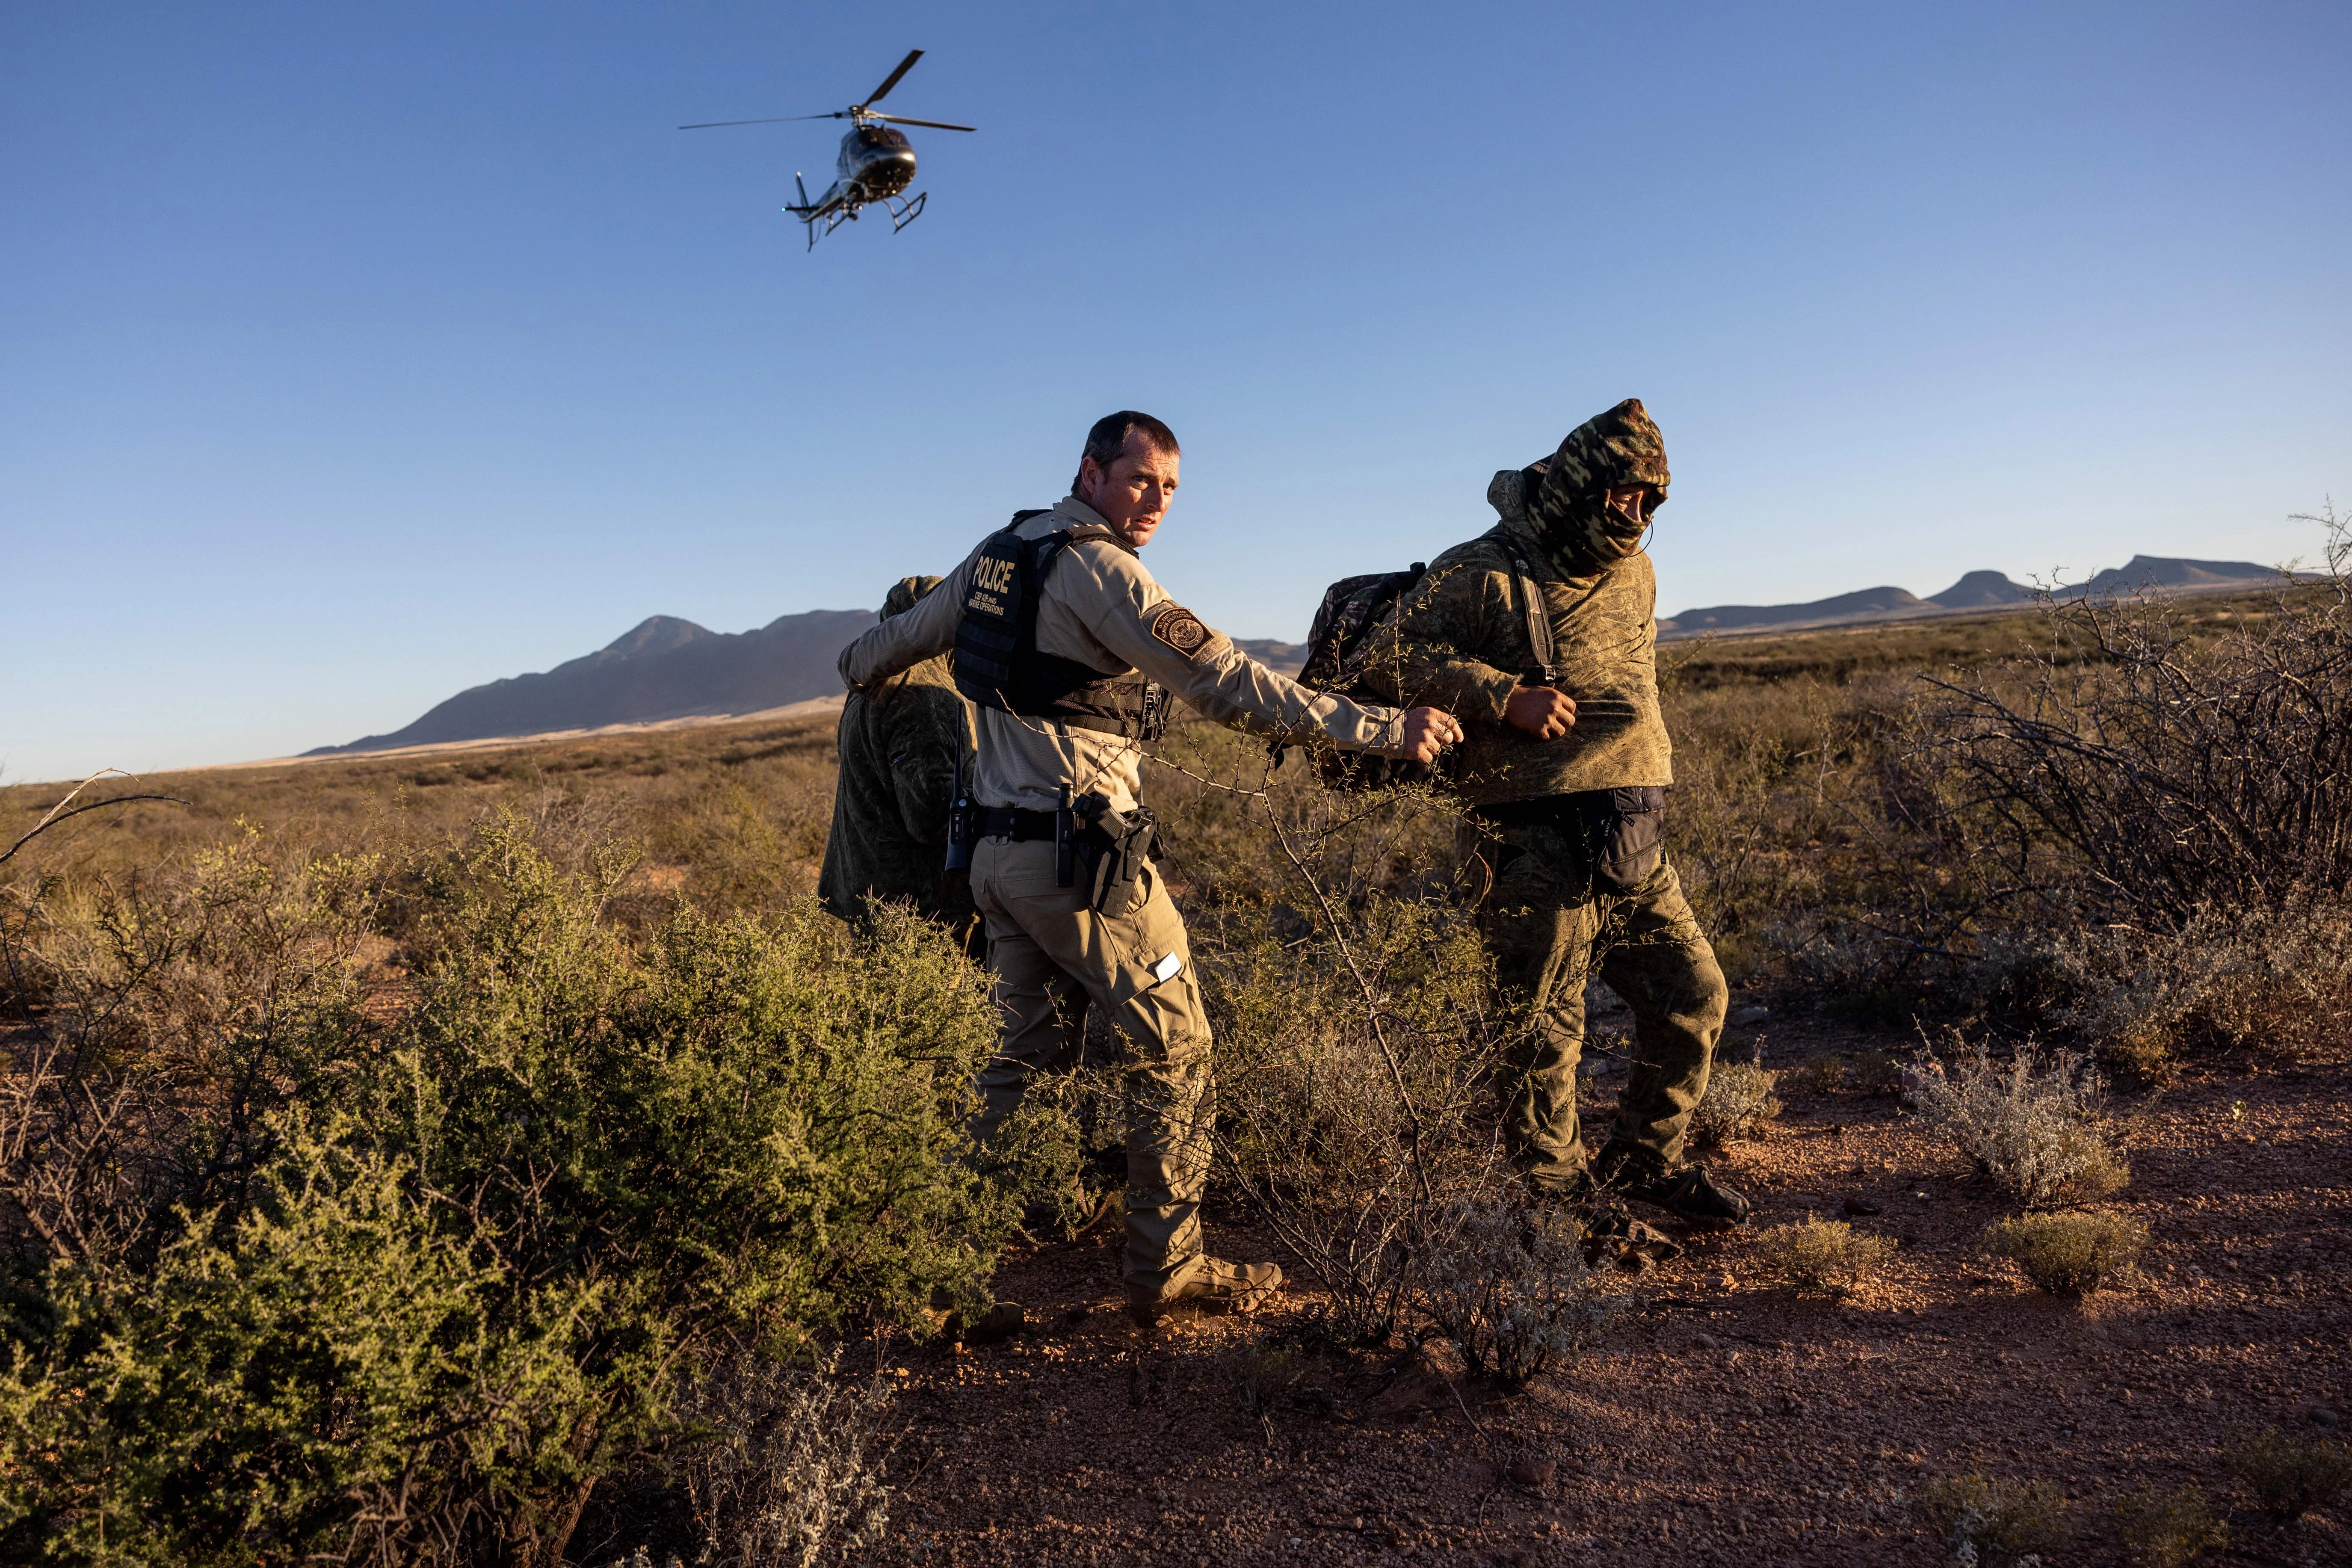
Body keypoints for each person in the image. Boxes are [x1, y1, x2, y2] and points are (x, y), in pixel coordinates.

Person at [837, 410, 1461, 1324]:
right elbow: (1224, 681)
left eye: (1170, 488)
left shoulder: (998, 554)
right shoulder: (1099, 570)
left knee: (1014, 1067)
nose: (1155, 501)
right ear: (1090, 472)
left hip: (998, 863)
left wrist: (859, 668)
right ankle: (1165, 1267)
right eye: (1140, 480)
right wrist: (1379, 728)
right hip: (1079, 865)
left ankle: (941, 1280)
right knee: (1177, 1048)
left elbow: (883, 650)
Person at [1355, 398, 1749, 1225]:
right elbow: (1388, 657)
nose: (1638, 515)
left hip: (1629, 835)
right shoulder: (1480, 568)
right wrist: (1501, 696)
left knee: (1692, 994)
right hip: (1525, 837)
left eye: (1652, 500)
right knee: (1542, 1033)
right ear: (1580, 485)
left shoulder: (1635, 568)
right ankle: (1558, 1208)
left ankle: (1645, 1162)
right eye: (1623, 496)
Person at [817, 575, 984, 957]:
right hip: (925, 910)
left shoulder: (869, 683)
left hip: (878, 900)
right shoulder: (925, 695)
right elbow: (933, 816)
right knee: (947, 1015)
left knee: (892, 1014)